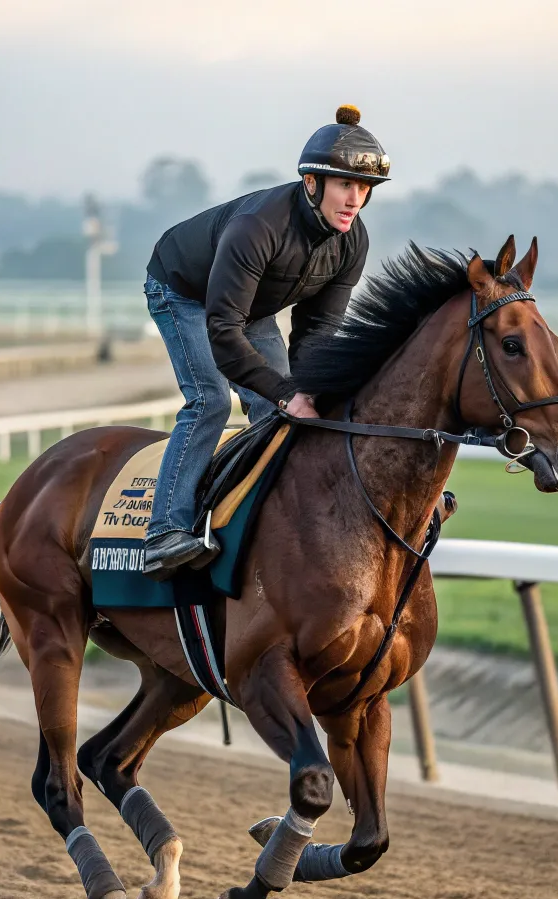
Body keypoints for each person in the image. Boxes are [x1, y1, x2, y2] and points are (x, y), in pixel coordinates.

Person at [142, 104, 391, 579]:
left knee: (282, 409)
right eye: (346, 185)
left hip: (248, 307)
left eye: (364, 188)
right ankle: (164, 531)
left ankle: (268, 517)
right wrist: (283, 392)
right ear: (312, 183)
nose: (355, 200)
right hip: (185, 292)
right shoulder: (257, 227)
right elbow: (223, 331)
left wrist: (305, 390)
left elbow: (318, 330)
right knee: (211, 400)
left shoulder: (352, 241)